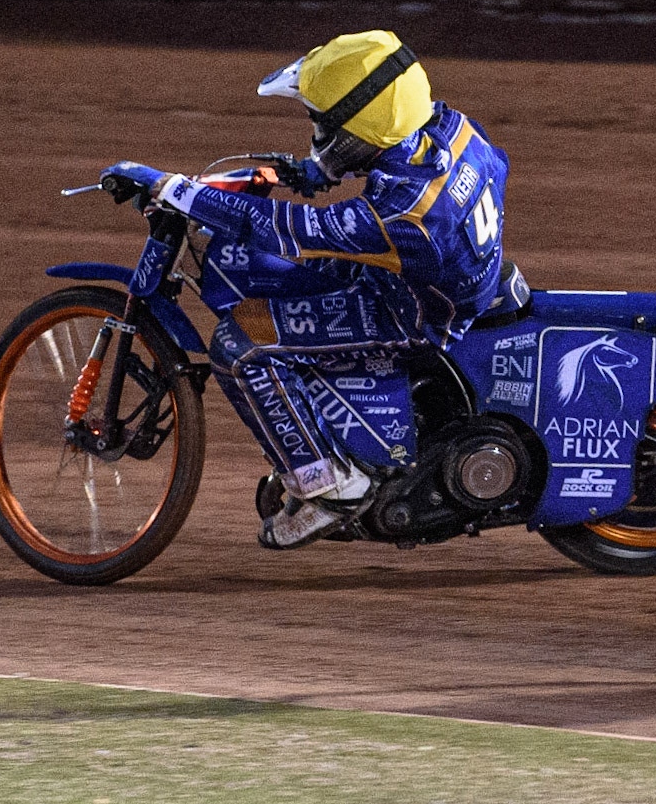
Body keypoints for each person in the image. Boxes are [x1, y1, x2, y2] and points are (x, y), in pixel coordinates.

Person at [103, 30, 515, 549]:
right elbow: (488, 165)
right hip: (434, 276)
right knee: (287, 286)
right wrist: (314, 171)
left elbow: (283, 229)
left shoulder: (402, 213)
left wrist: (174, 189)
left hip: (408, 311)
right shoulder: (454, 131)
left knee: (240, 345)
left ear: (354, 129)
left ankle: (329, 485)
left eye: (323, 124)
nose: (316, 131)